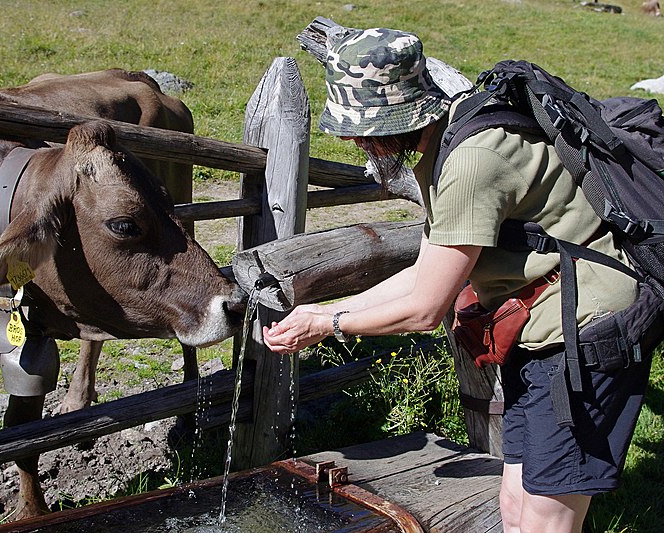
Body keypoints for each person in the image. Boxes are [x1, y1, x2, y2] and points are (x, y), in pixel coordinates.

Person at [262, 28, 653, 533]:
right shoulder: (450, 139)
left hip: (585, 334)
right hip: (541, 331)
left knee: (546, 520)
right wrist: (324, 311)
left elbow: (425, 309)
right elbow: (427, 271)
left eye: (364, 128)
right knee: (514, 505)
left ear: (401, 118)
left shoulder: (472, 163)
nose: (355, 141)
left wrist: (333, 323)